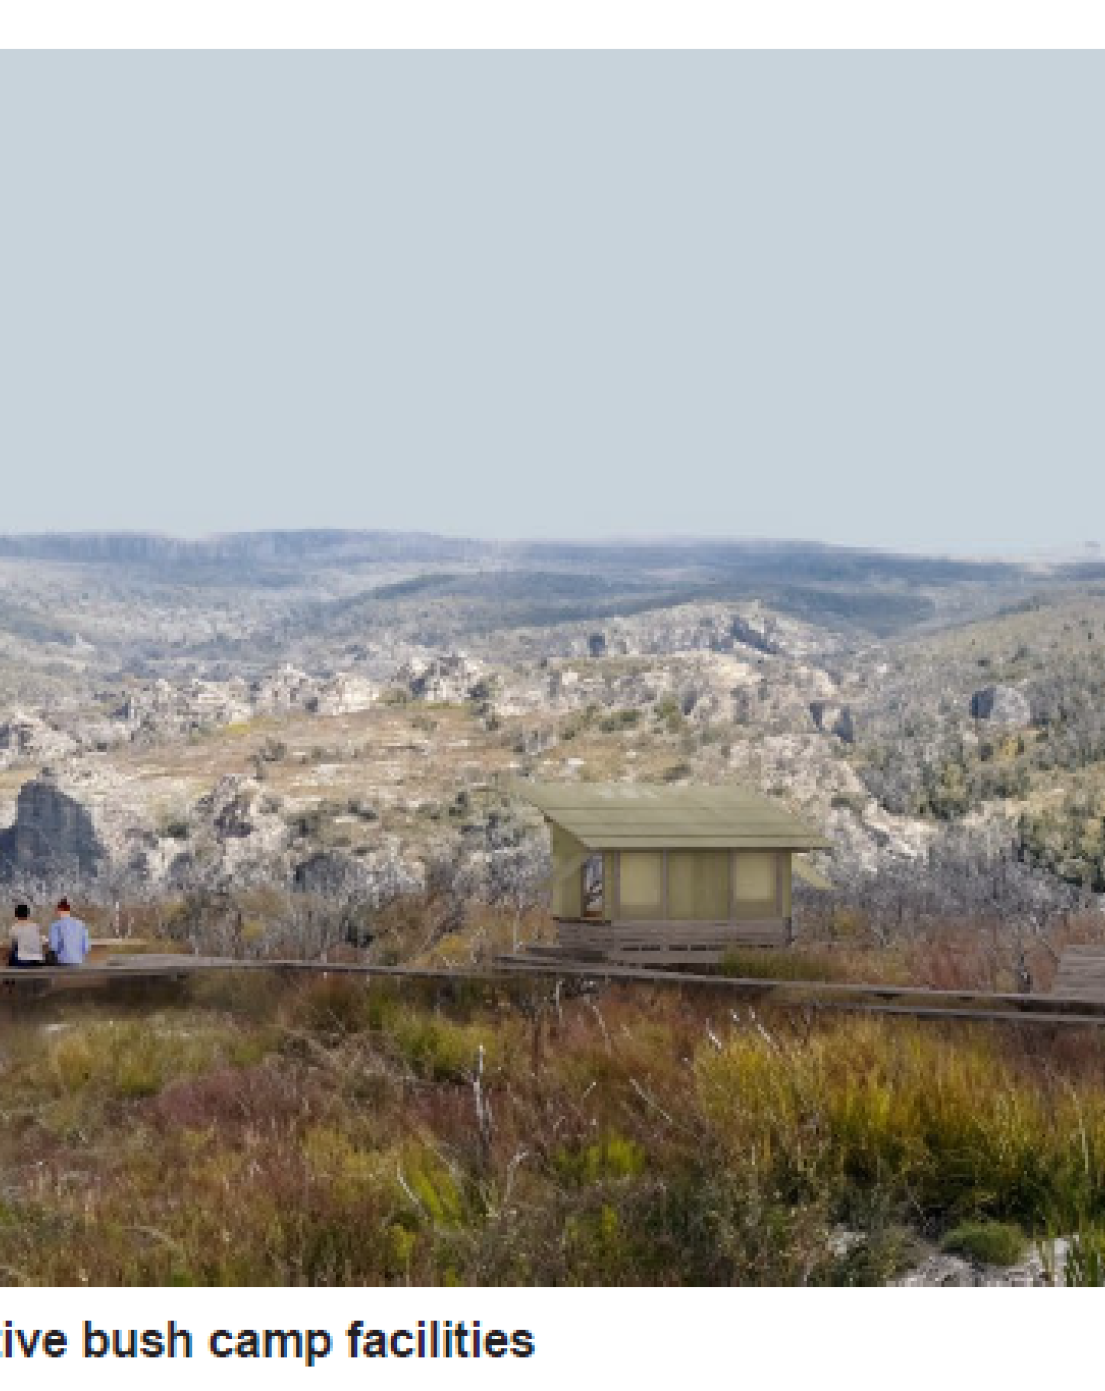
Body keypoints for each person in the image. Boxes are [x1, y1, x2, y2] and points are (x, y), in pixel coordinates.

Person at [49, 898, 90, 967]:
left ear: (59, 910)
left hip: (62, 963)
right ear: (69, 910)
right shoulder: (81, 924)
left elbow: (54, 947)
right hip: (79, 962)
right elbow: (86, 947)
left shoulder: (56, 925)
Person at [8, 904, 45, 969]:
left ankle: (10, 977)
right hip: (37, 961)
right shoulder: (36, 926)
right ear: (28, 914)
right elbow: (42, 941)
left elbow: (12, 945)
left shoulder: (14, 928)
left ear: (16, 915)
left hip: (22, 961)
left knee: (13, 950)